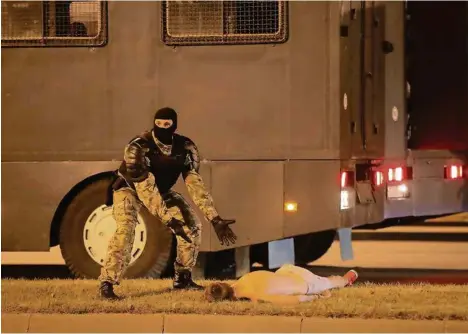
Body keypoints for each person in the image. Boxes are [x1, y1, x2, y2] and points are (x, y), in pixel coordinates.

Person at [99, 107, 237, 300]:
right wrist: (169, 220)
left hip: (161, 191)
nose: (163, 128)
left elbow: (195, 185)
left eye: (167, 124)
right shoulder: (138, 147)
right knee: (125, 230)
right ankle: (107, 283)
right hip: (129, 189)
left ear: (174, 124)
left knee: (192, 226)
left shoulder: (185, 148)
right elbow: (145, 190)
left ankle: (182, 279)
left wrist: (214, 218)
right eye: (159, 124)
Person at [204, 264, 358, 304]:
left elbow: (291, 300)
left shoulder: (253, 295)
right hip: (285, 270)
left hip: (305, 282)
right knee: (322, 284)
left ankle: (348, 277)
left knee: (329, 283)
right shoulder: (241, 281)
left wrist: (315, 298)